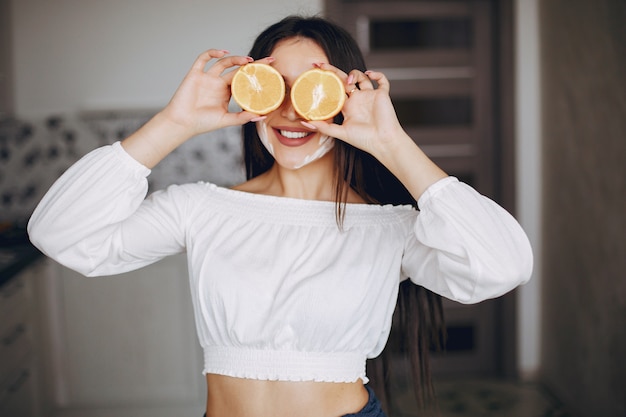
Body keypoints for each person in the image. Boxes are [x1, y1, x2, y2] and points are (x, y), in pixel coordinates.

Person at [28, 15, 533, 417]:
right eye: (276, 86)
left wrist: (390, 142)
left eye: (314, 90)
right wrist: (174, 122)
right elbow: (59, 234)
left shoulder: (392, 228)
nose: (293, 111)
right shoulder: (203, 208)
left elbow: (503, 266)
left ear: (345, 100)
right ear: (251, 92)